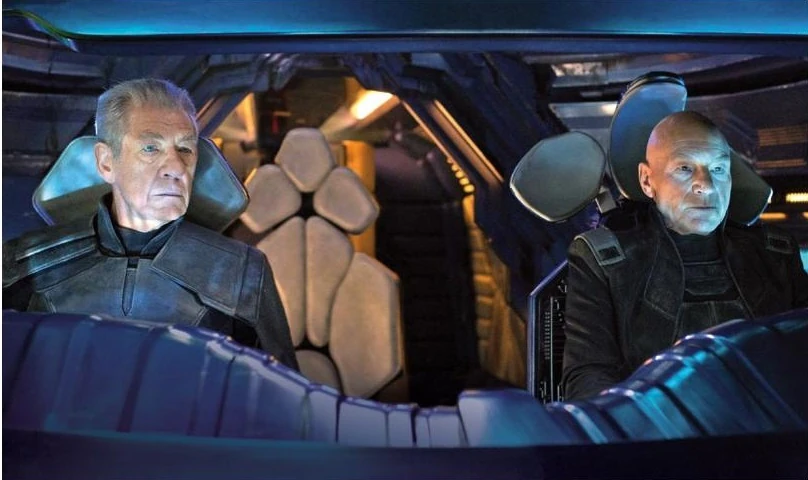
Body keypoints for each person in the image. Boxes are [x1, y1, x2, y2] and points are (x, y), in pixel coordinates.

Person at [3, 78, 299, 370]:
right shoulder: (24, 265)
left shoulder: (242, 273)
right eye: (150, 148)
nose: (176, 167)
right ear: (106, 162)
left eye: (185, 149)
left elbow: (279, 393)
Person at [562, 111, 808, 400]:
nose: (707, 185)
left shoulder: (775, 254)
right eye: (685, 169)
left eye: (718, 169)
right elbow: (587, 379)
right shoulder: (603, 261)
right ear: (647, 180)